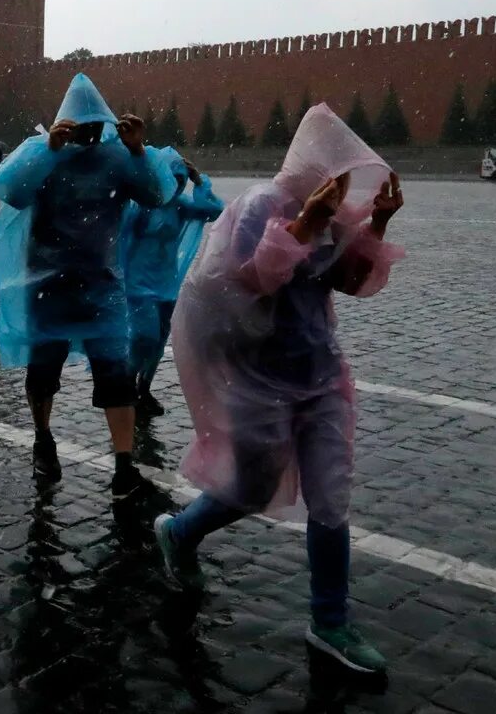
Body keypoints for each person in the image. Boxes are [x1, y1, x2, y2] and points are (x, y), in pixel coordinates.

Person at [153, 104, 404, 674]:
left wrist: (377, 224)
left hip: (321, 379)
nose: (340, 186)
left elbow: (351, 280)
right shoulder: (261, 205)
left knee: (331, 495)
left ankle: (330, 621)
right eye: (333, 173)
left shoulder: (336, 216)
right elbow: (242, 284)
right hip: (259, 380)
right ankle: (180, 533)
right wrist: (303, 227)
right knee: (251, 485)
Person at [0, 73, 176, 499]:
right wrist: (49, 151)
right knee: (43, 372)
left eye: (94, 126)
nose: (89, 133)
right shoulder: (43, 153)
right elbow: (8, 189)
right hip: (48, 287)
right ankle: (43, 439)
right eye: (82, 125)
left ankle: (124, 466)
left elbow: (156, 194)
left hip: (101, 288)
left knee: (116, 374)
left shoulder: (119, 159)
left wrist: (138, 150)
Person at [121, 148, 224, 418]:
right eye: (174, 179)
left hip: (166, 284)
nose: (178, 185)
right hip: (138, 284)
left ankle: (143, 388)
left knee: (159, 338)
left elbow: (215, 211)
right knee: (144, 336)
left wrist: (199, 181)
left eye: (182, 181)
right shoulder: (142, 206)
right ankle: (125, 387)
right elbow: (116, 234)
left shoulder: (181, 206)